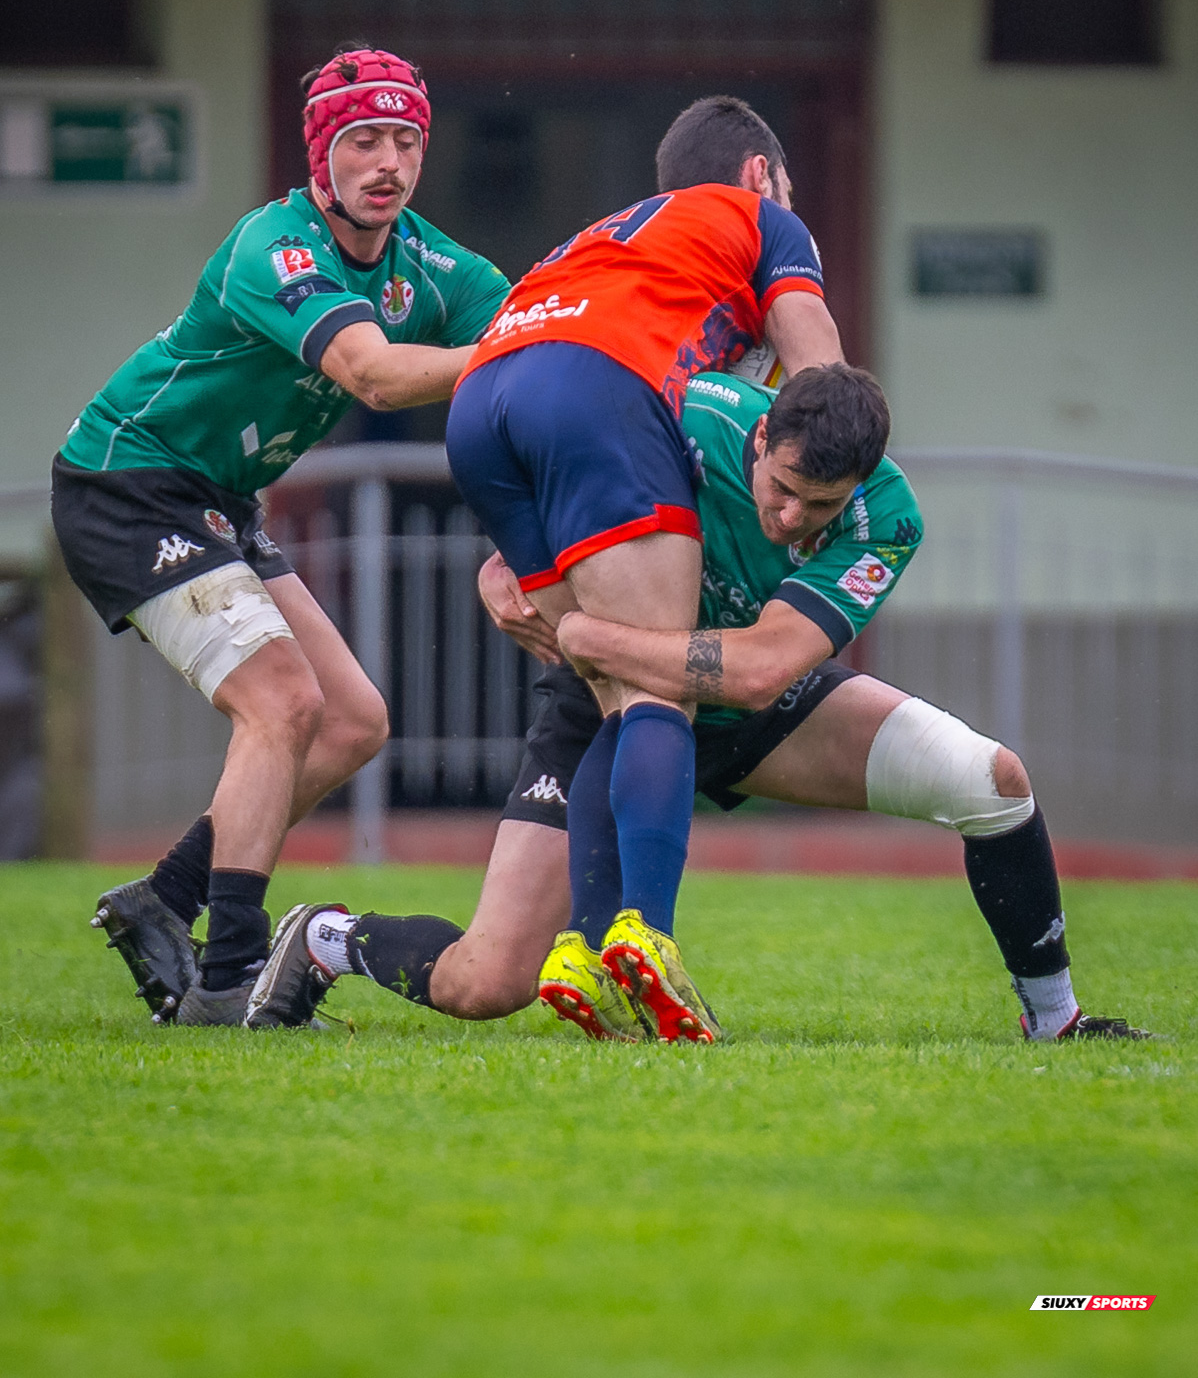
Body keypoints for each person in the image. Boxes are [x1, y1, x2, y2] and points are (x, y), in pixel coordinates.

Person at [250, 366, 1148, 1043]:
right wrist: (511, 557)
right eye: (782, 490)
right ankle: (328, 938)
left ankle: (1055, 1022)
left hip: (746, 699)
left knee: (993, 779)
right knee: (483, 985)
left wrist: (596, 637)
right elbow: (550, 451)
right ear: (759, 440)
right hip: (601, 705)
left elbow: (761, 671)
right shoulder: (689, 411)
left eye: (819, 507)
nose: (791, 519)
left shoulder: (890, 518)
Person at [54, 47, 509, 1026]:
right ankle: (228, 982)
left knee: (352, 721)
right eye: (363, 140)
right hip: (127, 480)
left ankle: (163, 903)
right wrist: (525, 347)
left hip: (219, 499)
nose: (387, 161)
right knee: (281, 703)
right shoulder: (277, 244)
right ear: (321, 154)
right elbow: (377, 376)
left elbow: (541, 318)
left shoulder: (428, 261)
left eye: (406, 139)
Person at [441, 97, 842, 1039]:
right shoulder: (763, 219)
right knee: (661, 683)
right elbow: (819, 381)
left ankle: (582, 950)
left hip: (481, 408)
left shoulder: (608, 234)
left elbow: (541, 365)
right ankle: (645, 937)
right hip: (597, 393)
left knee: (611, 681)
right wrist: (836, 491)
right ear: (758, 174)